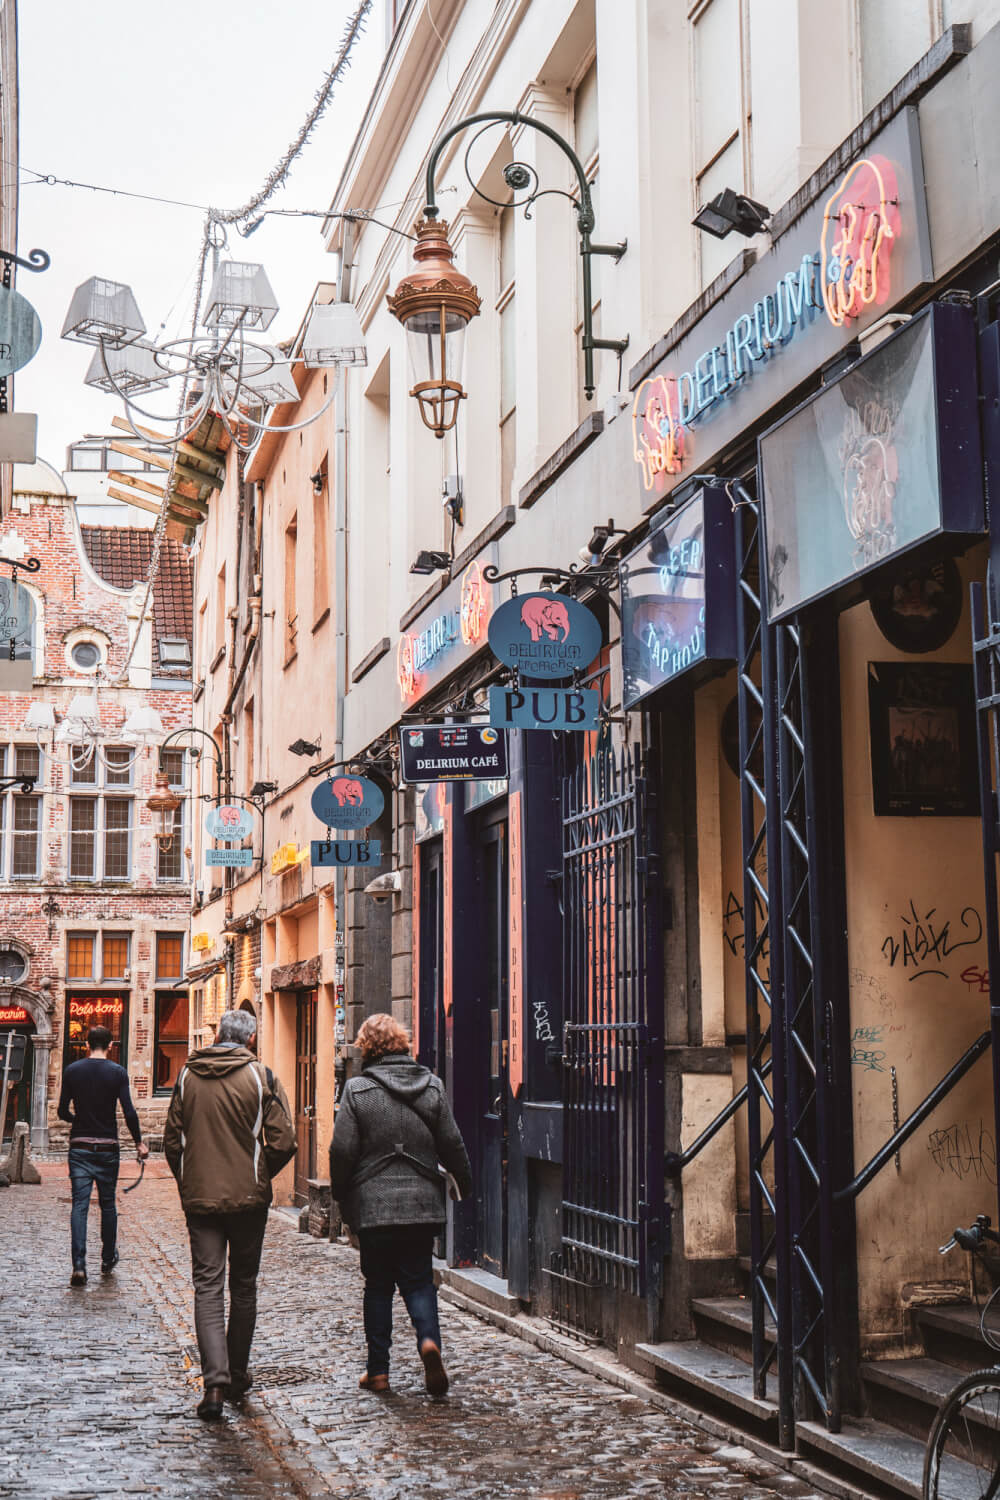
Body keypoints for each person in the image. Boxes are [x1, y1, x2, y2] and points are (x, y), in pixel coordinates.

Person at [329, 1013, 472, 1397]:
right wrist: (465, 1185)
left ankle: (378, 1371)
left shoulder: (357, 1090)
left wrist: (342, 1196)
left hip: (374, 1206)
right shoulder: (433, 1087)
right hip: (421, 1204)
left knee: (377, 1287)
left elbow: (341, 1151)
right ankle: (429, 1341)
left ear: (367, 1048)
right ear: (403, 1043)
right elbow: (453, 1144)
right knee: (419, 1281)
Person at [163, 1008, 296, 1421]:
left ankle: (214, 1383)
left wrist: (189, 1180)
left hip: (201, 1200)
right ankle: (236, 1373)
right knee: (243, 1285)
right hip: (248, 1203)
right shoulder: (261, 1077)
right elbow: (284, 1140)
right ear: (251, 1039)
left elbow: (172, 1140)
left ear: (218, 1034)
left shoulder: (187, 1076)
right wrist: (258, 1174)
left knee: (207, 1286)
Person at [57, 1024, 149, 1288]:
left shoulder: (72, 1071)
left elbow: (63, 1111)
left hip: (80, 1147)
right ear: (111, 1046)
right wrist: (139, 1142)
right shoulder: (117, 1073)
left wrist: (79, 1119)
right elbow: (129, 1111)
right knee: (108, 1204)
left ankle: (79, 1265)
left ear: (86, 1045)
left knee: (79, 1206)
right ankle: (107, 1258)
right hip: (108, 1147)